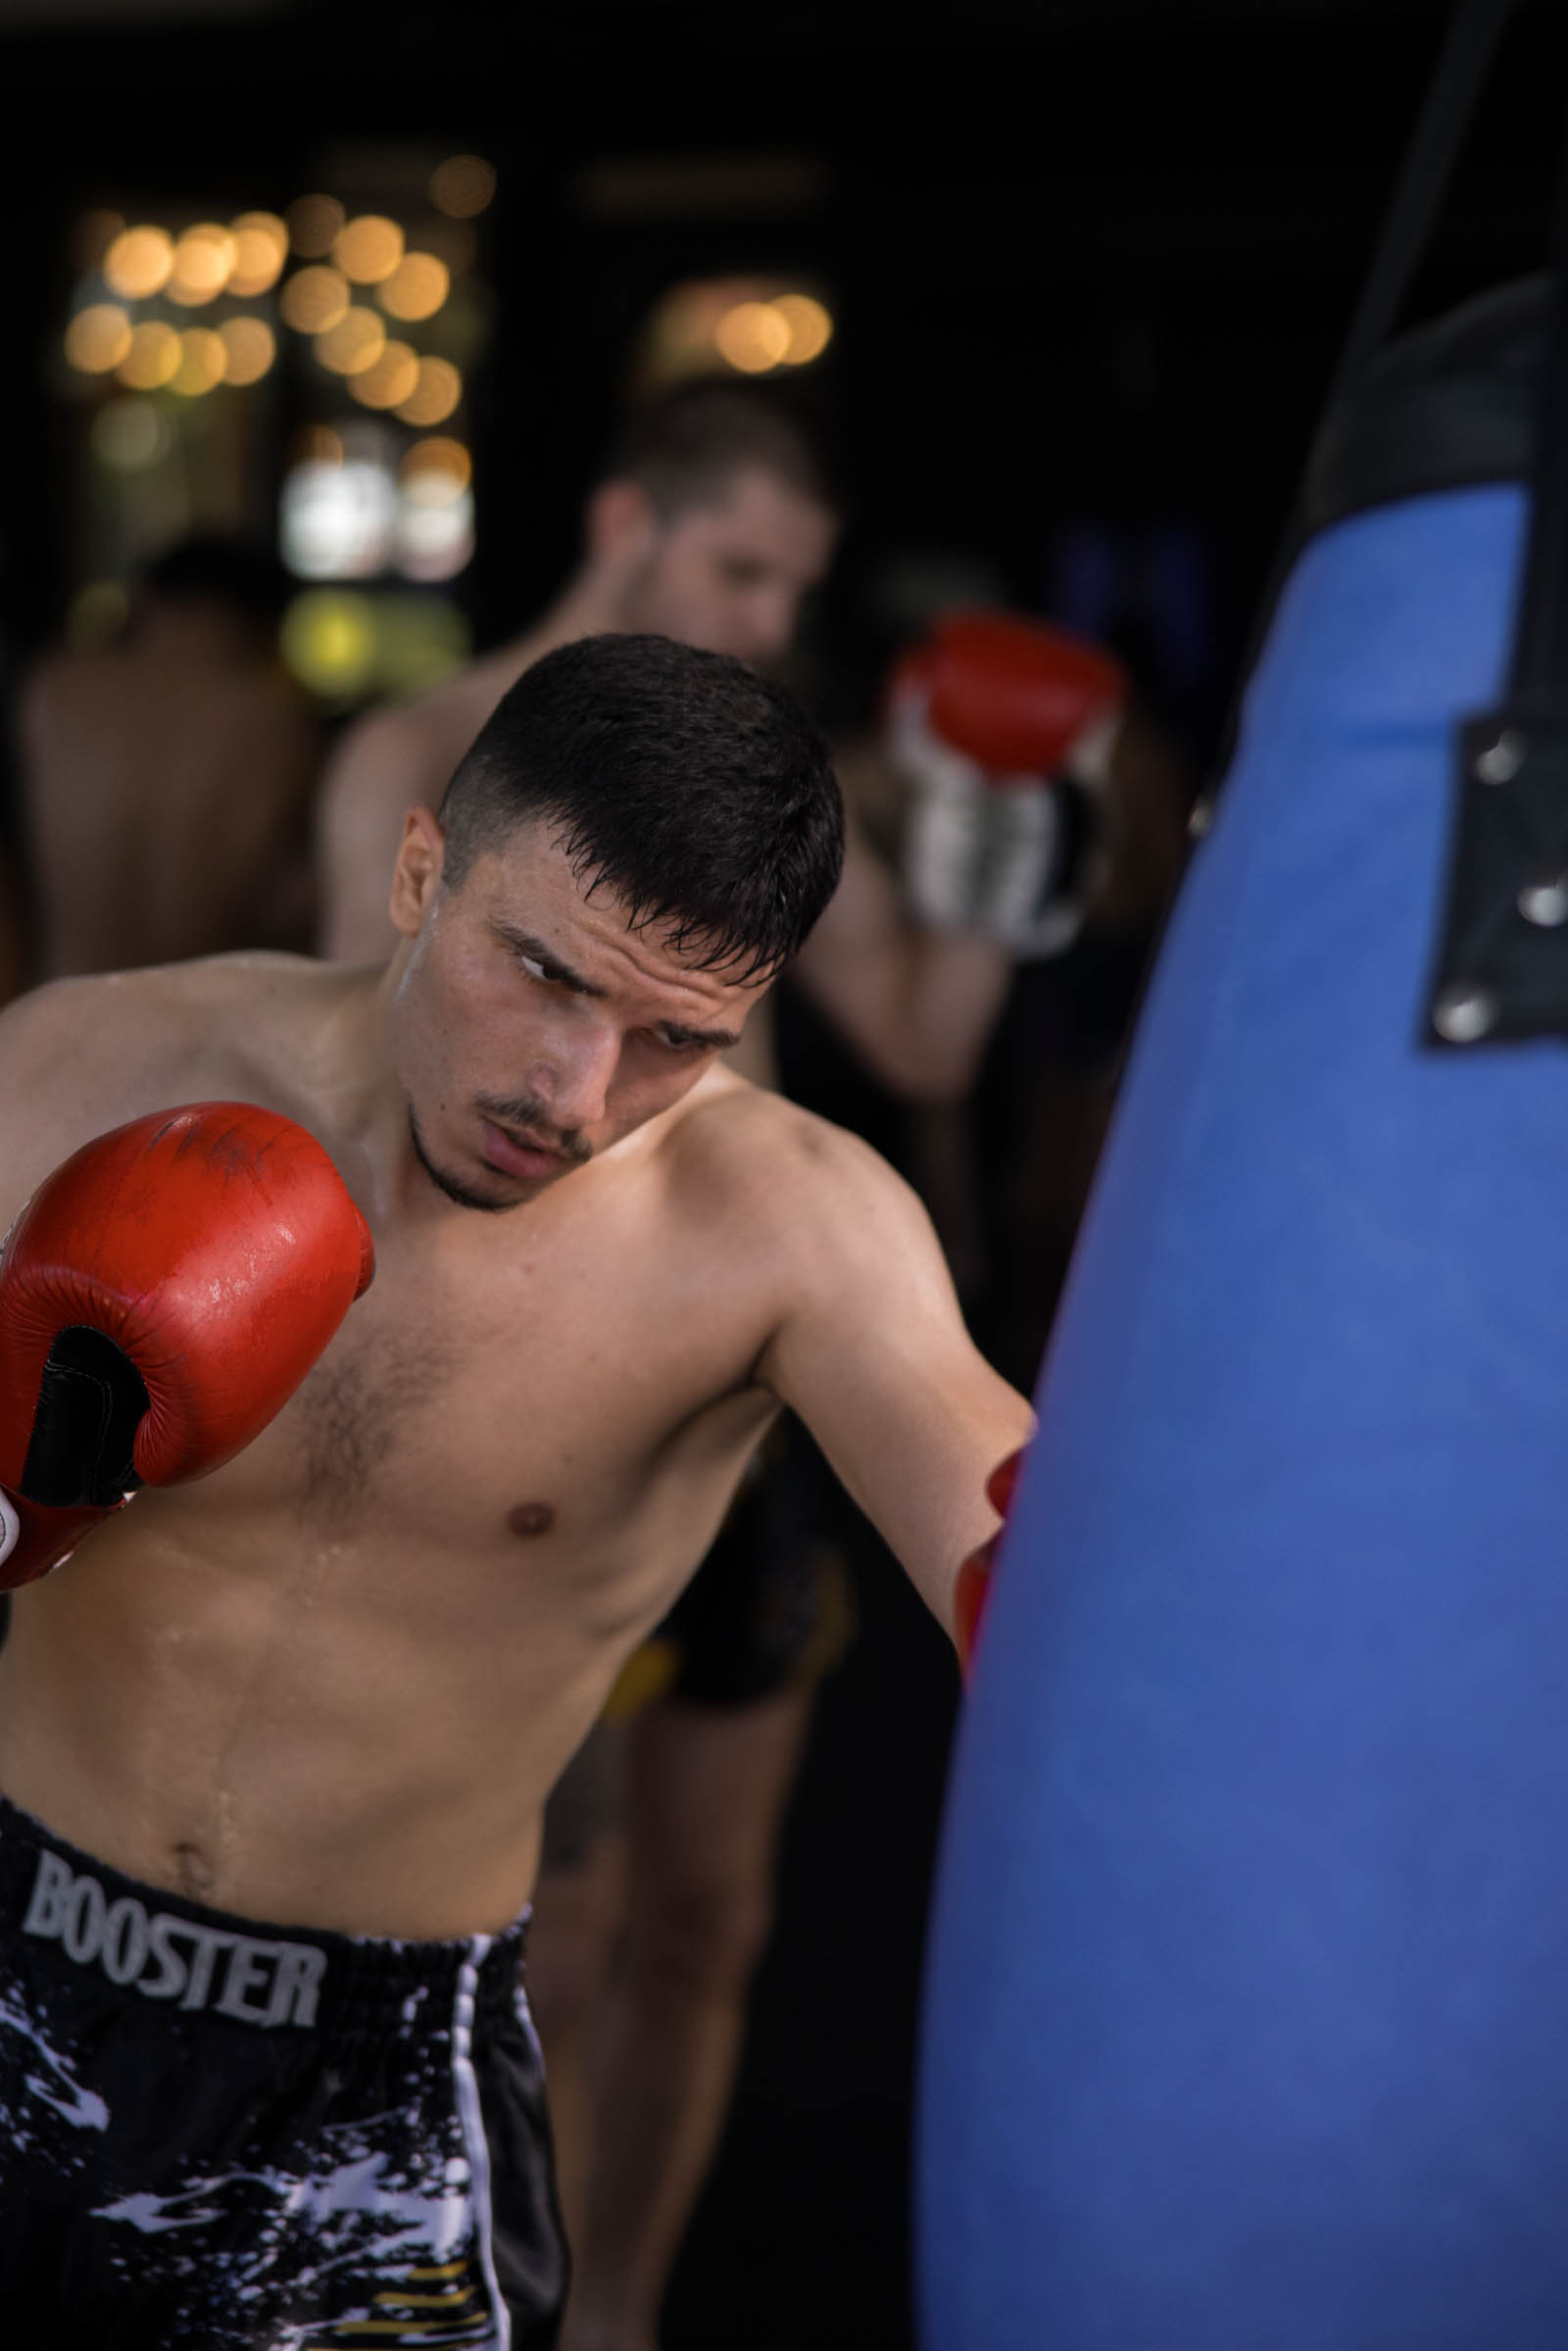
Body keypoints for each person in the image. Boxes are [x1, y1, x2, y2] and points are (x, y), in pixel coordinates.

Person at [0, 631, 1032, 2345]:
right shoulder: (80, 1069)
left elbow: (1010, 1531)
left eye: (674, 1036)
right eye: (543, 972)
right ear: (421, 870)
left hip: (375, 2093)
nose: (574, 1093)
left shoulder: (787, 1230)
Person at [318, 386, 1040, 2351]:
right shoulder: (422, 754)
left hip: (750, 1409)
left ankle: (620, 2312)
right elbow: (383, 1097)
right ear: (629, 518)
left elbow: (924, 1033)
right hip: (515, 1408)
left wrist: (994, 861)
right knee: (547, 1938)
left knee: (711, 1916)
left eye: (793, 585)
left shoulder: (768, 796)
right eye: (739, 567)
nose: (768, 616)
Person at [16, 534, 321, 979]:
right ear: (258, 620)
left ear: (148, 599)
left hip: (59, 1001)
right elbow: (293, 900)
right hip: (206, 1009)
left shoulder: (54, 688)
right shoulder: (275, 715)